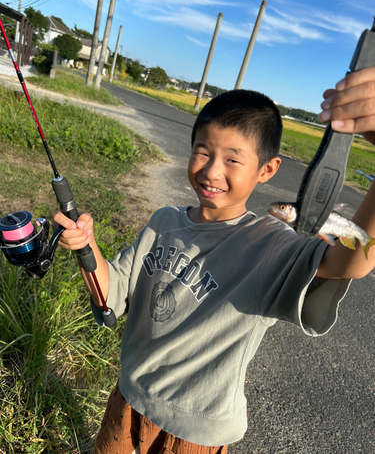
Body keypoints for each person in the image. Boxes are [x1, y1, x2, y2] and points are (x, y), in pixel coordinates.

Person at [54, 66, 375, 454]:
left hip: (196, 432)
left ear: (267, 169)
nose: (211, 170)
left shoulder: (271, 244)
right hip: (129, 398)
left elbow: (353, 262)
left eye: (233, 160)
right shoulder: (163, 223)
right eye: (202, 152)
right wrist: (87, 247)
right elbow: (112, 294)